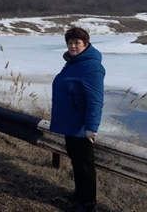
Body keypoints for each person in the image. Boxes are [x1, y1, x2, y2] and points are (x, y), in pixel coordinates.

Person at [50, 27, 105, 212]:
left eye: (77, 43)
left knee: (85, 165)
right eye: (70, 43)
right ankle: (79, 195)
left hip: (81, 126)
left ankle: (88, 204)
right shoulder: (73, 62)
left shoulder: (92, 66)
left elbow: (95, 99)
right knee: (76, 160)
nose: (73, 46)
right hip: (70, 122)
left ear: (86, 44)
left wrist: (91, 127)